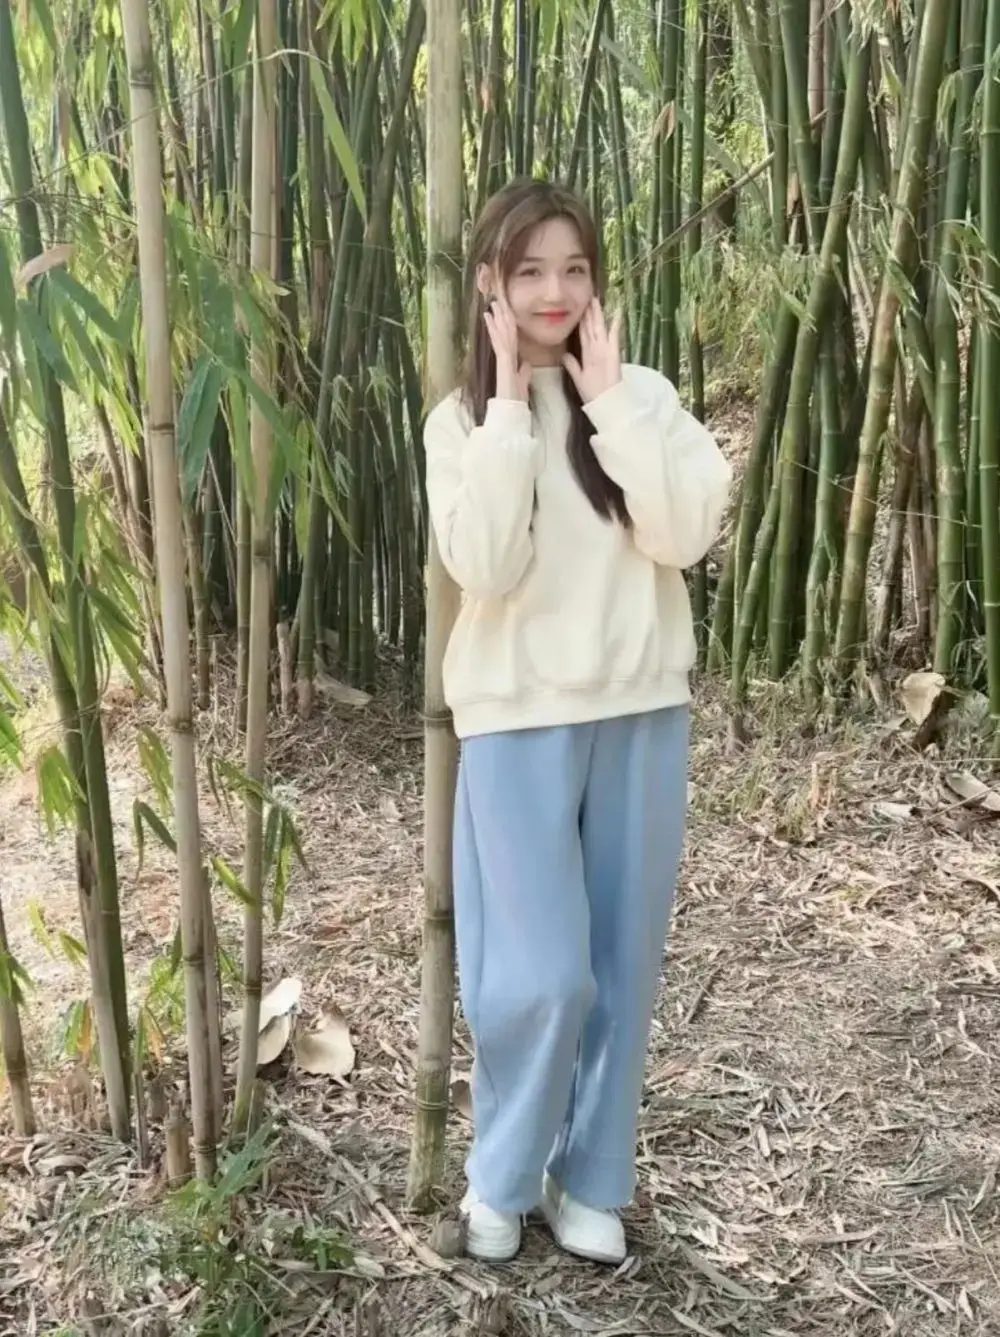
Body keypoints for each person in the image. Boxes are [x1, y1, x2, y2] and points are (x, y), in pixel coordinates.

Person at [423, 179, 732, 1266]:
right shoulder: (461, 422)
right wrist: (513, 409)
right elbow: (483, 564)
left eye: (574, 268)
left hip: (641, 710)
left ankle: (591, 1176)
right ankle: (503, 1175)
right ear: (490, 285)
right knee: (539, 973)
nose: (554, 291)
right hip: (515, 721)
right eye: (529, 271)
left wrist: (609, 404)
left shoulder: (644, 395)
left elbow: (685, 533)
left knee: (623, 963)